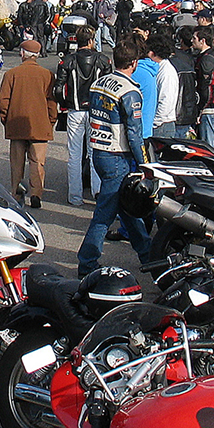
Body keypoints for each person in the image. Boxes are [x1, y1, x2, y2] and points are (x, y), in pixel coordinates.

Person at [78, 39, 150, 276]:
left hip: (98, 151)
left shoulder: (99, 83)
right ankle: (87, 261)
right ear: (134, 63)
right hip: (117, 155)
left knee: (126, 208)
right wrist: (144, 164)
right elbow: (134, 133)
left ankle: (149, 255)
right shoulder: (130, 91)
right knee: (104, 214)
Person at [54, 26, 109, 206]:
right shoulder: (102, 60)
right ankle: (97, 193)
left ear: (76, 40)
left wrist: (65, 104)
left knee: (74, 155)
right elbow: (109, 86)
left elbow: (58, 88)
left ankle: (75, 196)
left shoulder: (67, 61)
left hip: (75, 111)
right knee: (95, 153)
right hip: (96, 112)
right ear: (92, 40)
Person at [0, 40, 57, 208]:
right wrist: (50, 121)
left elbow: (3, 101)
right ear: (37, 55)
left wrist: (6, 119)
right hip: (40, 125)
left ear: (22, 53)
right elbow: (51, 102)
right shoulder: (47, 75)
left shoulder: (11, 74)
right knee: (37, 162)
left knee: (16, 163)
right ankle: (36, 193)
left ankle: (16, 194)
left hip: (16, 124)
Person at [147, 33, 180, 138]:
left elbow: (166, 101)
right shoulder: (158, 68)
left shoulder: (166, 73)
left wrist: (154, 123)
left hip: (162, 125)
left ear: (153, 53)